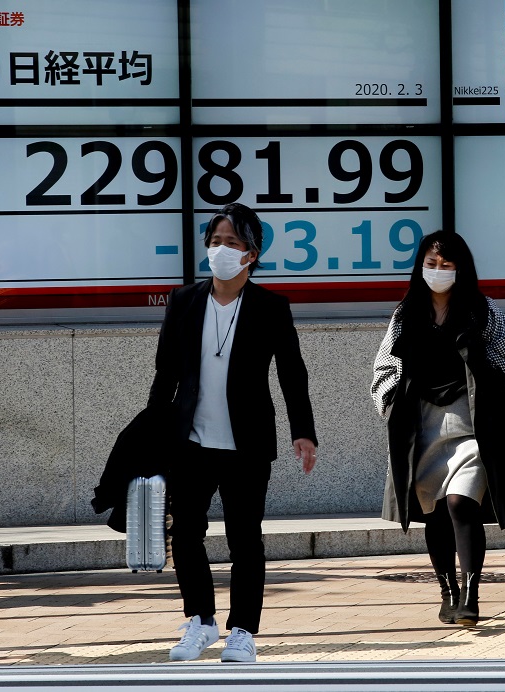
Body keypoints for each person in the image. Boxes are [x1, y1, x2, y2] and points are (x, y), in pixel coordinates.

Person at [148, 202, 318, 663]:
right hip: (191, 441)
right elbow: (165, 374)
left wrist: (303, 431)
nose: (220, 249)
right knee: (184, 533)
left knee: (245, 539)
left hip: (247, 443)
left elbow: (291, 374)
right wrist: (152, 430)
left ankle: (243, 630)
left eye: (232, 243)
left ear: (251, 254)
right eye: (214, 240)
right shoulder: (183, 301)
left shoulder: (271, 308)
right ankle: (200, 621)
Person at [371, 230, 505, 627]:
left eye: (447, 265)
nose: (438, 271)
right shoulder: (406, 314)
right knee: (434, 510)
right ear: (420, 267)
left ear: (462, 269)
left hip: (473, 423)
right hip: (423, 427)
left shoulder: (484, 311)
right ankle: (447, 590)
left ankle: (471, 593)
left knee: (461, 502)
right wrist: (392, 404)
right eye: (431, 264)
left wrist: (489, 382)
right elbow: (384, 368)